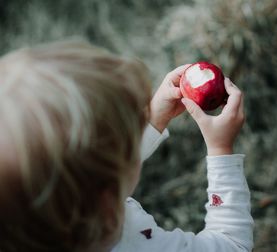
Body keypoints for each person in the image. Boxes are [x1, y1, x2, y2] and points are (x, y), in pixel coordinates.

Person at [0, 40, 253, 252]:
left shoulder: (43, 220)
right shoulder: (138, 243)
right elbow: (231, 244)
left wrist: (154, 118)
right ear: (108, 203)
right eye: (130, 133)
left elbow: (94, 166)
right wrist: (221, 150)